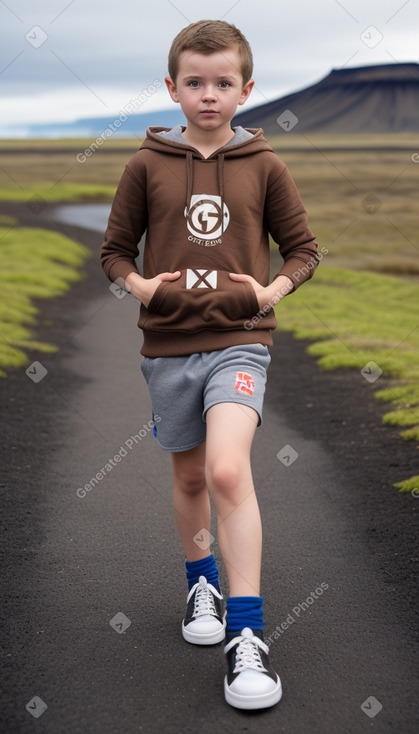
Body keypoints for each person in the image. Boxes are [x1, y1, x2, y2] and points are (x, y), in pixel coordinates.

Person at [101, 18, 319, 710]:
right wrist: (139, 287)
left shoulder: (265, 165)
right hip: (167, 345)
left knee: (228, 469)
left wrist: (270, 289)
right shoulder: (143, 165)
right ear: (172, 87)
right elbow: (113, 252)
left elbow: (303, 249)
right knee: (191, 474)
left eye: (222, 83)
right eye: (194, 82)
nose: (207, 95)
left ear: (245, 89)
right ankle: (202, 582)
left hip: (241, 340)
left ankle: (245, 637)